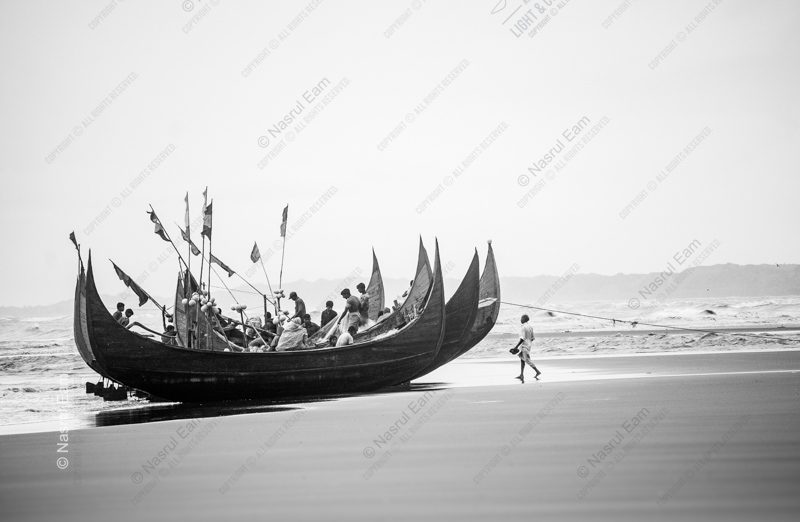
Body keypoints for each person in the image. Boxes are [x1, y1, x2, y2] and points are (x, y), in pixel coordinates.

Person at [511, 315, 541, 382]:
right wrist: (528, 343)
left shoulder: (523, 327)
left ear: (524, 319)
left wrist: (516, 347)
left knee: (527, 360)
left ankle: (537, 371)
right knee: (522, 359)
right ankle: (521, 375)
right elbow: (532, 338)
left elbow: (522, 338)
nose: (520, 320)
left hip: (524, 346)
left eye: (521, 318)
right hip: (528, 345)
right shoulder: (530, 327)